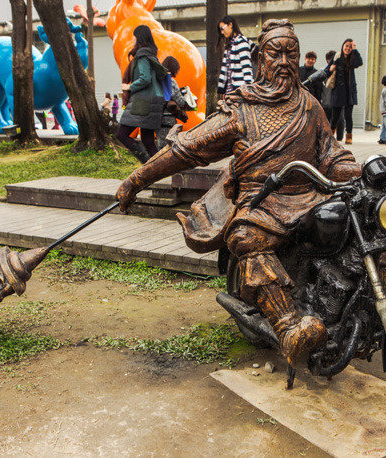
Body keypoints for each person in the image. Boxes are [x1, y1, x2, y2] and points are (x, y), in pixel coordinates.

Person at [116, 19, 361, 368]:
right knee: (245, 237)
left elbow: (330, 152)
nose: (284, 63)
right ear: (260, 59)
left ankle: (362, 301)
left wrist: (350, 168)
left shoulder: (310, 106)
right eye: (275, 54)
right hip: (262, 203)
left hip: (312, 195)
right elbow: (185, 149)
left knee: (370, 219)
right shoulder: (241, 109)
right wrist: (136, 179)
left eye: (291, 54)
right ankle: (288, 325)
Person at [117, 24, 167, 163]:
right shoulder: (152, 55)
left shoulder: (142, 55)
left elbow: (145, 79)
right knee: (148, 140)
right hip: (155, 100)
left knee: (122, 134)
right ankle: (160, 167)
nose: (133, 40)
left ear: (139, 38)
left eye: (134, 38)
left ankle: (146, 163)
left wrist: (129, 87)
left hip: (143, 100)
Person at [328, 39, 362, 145]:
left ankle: (349, 136)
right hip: (338, 91)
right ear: (343, 46)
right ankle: (330, 136)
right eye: (346, 46)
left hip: (349, 91)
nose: (348, 48)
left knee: (348, 116)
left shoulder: (353, 59)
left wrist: (355, 50)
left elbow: (359, 62)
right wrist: (330, 69)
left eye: (350, 47)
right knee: (335, 116)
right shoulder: (337, 57)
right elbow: (327, 69)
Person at [217, 15, 255, 97]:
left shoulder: (241, 42)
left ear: (230, 25)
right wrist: (222, 89)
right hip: (231, 90)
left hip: (241, 90)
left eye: (222, 28)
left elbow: (246, 66)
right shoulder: (230, 45)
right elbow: (226, 71)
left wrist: (248, 88)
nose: (222, 32)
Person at [156, 56, 189, 150]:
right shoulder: (170, 81)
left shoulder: (157, 79)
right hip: (168, 117)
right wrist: (186, 99)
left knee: (161, 144)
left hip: (157, 116)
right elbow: (180, 101)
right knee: (167, 147)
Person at [320, 50, 344, 141]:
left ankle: (340, 139)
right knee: (326, 121)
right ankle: (327, 138)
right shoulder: (324, 72)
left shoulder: (342, 71)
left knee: (340, 120)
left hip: (338, 101)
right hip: (326, 101)